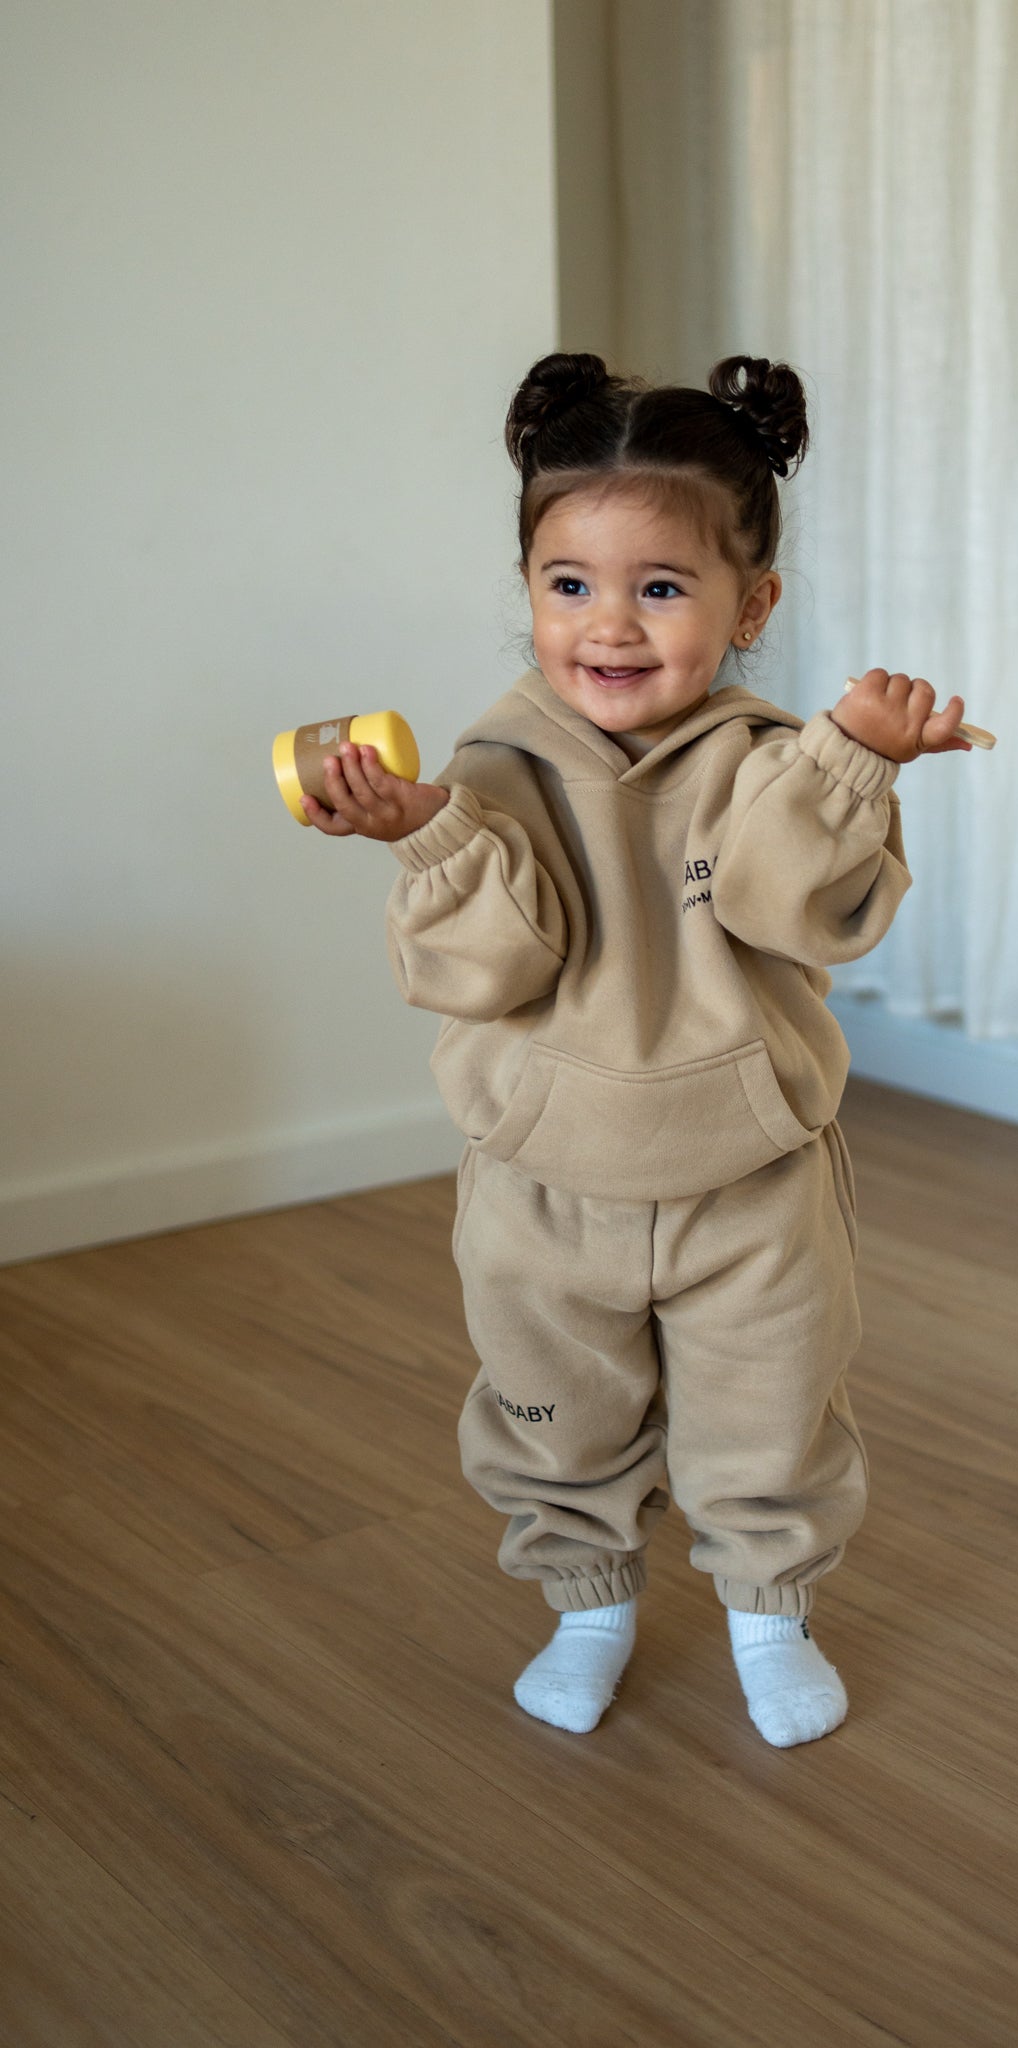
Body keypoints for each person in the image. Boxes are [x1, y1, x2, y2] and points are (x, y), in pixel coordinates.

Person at [302, 351, 973, 1747]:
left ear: (751, 603)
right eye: (568, 585)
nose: (609, 626)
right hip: (545, 1185)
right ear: (531, 587)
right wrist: (419, 832)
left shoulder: (774, 758)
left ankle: (768, 1616)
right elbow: (490, 968)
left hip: (750, 1183)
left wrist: (856, 760)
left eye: (660, 587)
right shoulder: (487, 768)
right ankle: (589, 1605)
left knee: (771, 1415)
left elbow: (793, 908)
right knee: (557, 1415)